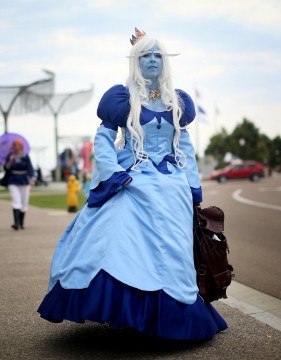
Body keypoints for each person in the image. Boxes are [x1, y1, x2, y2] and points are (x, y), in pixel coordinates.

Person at [37, 28, 228, 340]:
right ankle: (124, 308)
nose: (152, 60)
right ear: (135, 61)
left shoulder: (177, 102)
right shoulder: (123, 98)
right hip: (131, 178)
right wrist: (112, 173)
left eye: (157, 55)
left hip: (170, 184)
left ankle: (170, 311)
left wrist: (193, 186)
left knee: (173, 249)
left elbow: (186, 148)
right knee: (113, 235)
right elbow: (103, 137)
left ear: (165, 62)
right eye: (145, 55)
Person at [4, 138, 36, 230]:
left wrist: (32, 179)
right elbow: (6, 168)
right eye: (14, 145)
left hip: (24, 180)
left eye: (18, 144)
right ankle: (16, 223)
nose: (16, 146)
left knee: (24, 202)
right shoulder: (10, 156)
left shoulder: (25, 156)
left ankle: (21, 221)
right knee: (16, 200)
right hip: (13, 180)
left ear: (21, 146)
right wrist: (10, 161)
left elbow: (30, 168)